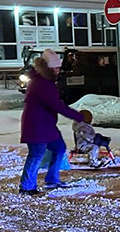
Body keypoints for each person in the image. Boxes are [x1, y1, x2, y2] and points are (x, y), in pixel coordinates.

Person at [19, 48, 84, 195]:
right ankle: (27, 187)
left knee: (59, 148)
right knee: (35, 156)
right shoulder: (42, 83)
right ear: (47, 68)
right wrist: (78, 116)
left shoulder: (43, 80)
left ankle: (52, 179)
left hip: (46, 126)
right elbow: (56, 105)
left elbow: (54, 104)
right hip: (37, 126)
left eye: (59, 67)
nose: (58, 70)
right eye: (56, 68)